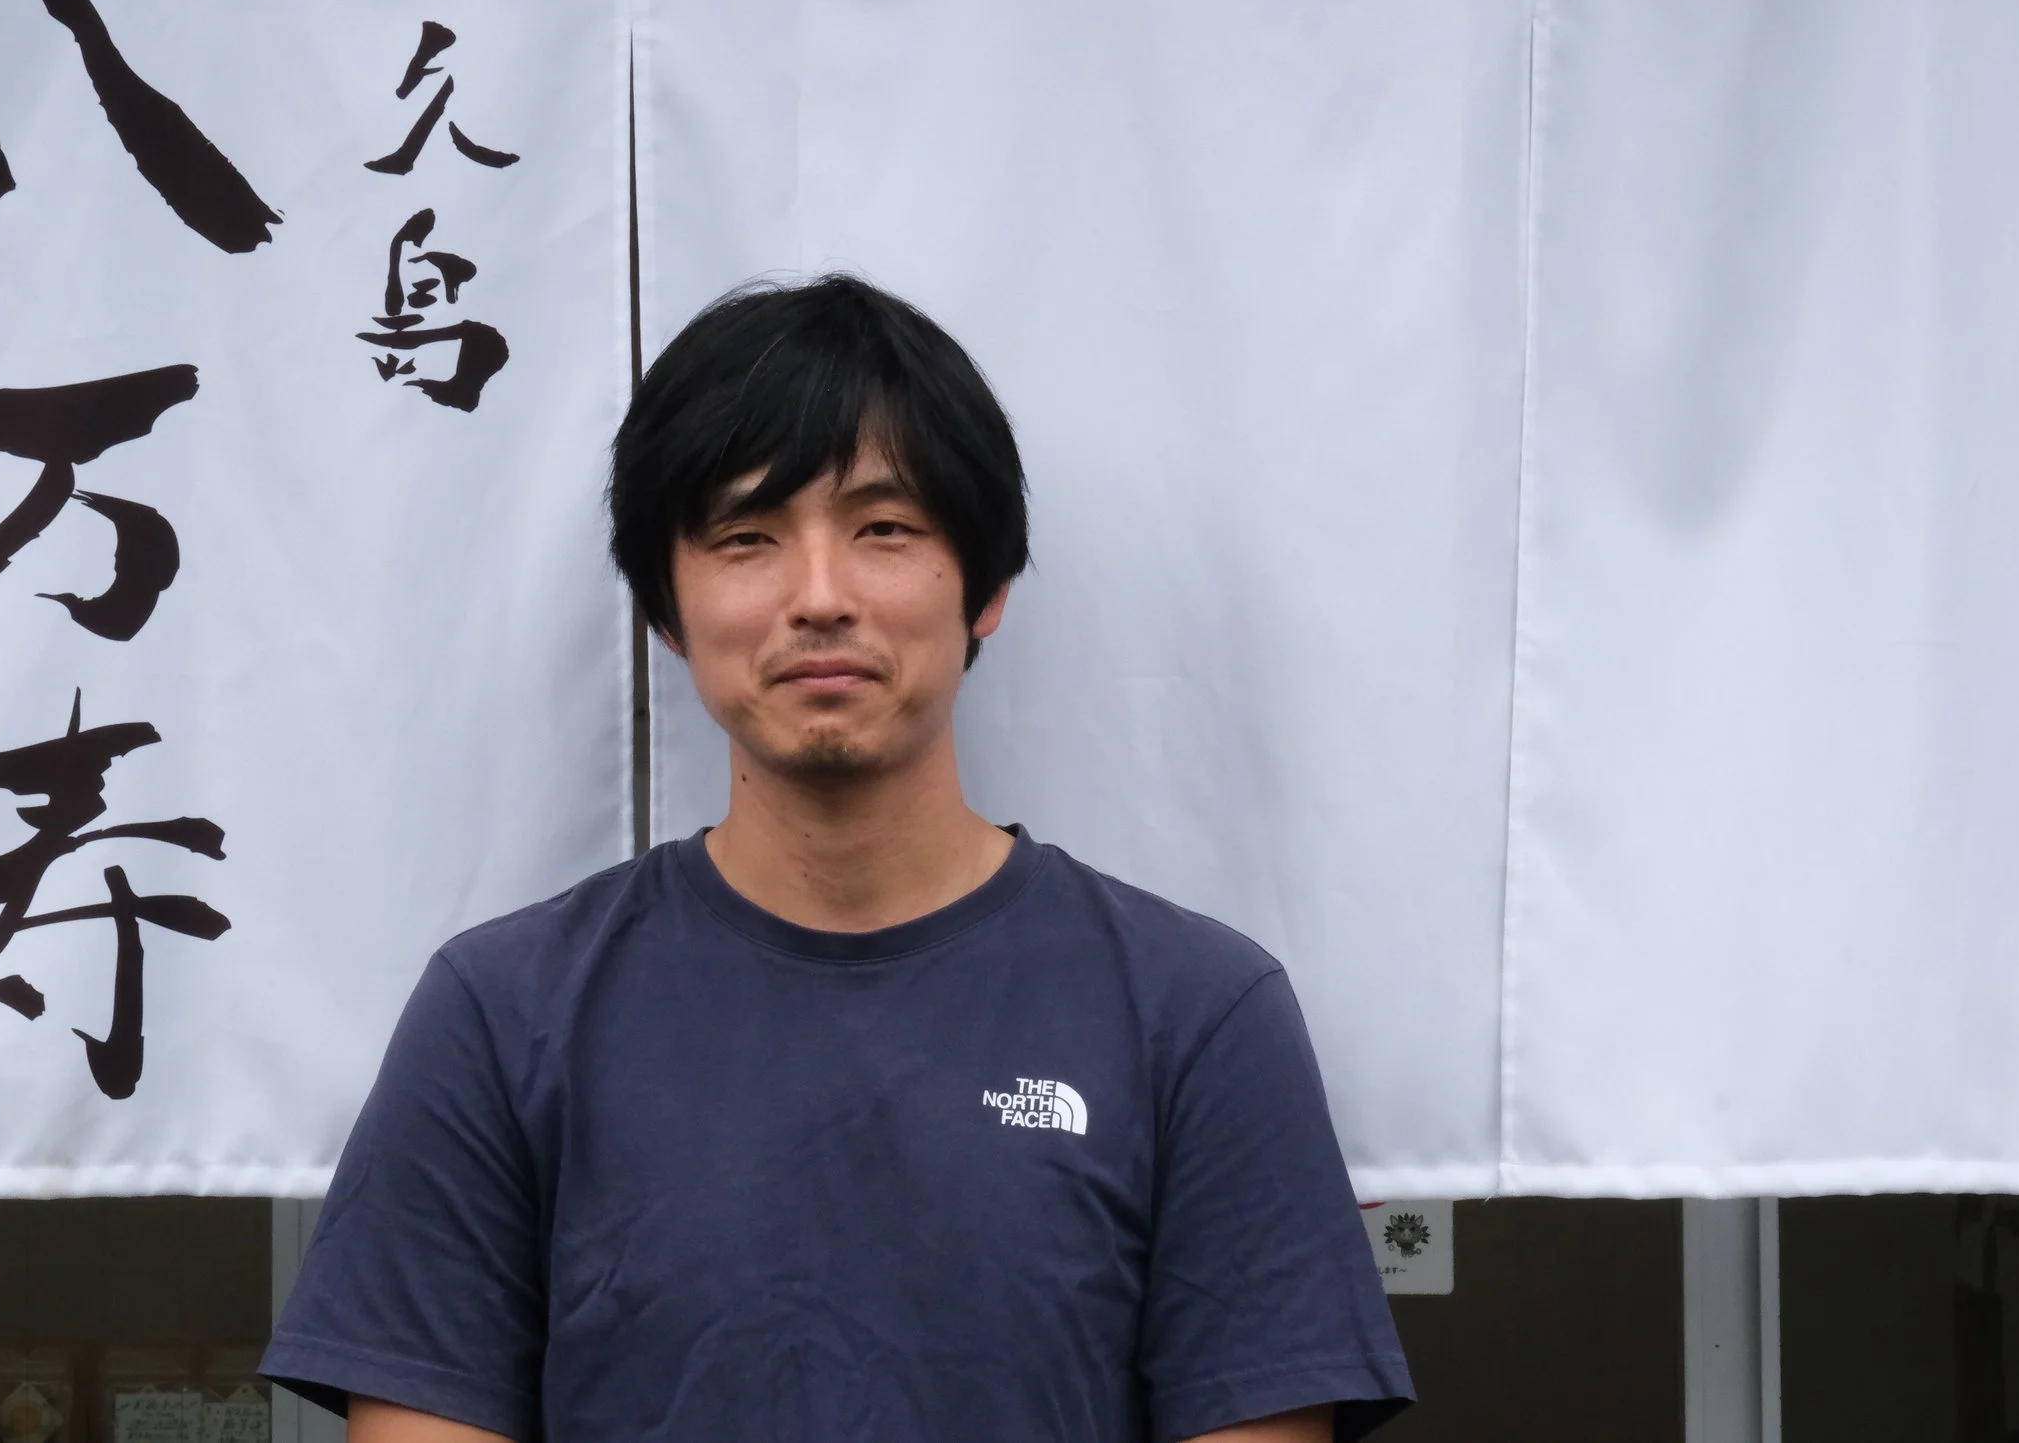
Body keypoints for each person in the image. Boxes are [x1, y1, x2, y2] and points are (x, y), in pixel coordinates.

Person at [262, 276, 1414, 1442]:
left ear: (987, 585)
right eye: (746, 537)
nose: (818, 597)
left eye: (884, 529)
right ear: (665, 609)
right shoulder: (502, 1014)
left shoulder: (1195, 1013)